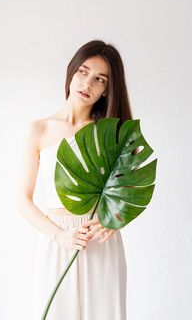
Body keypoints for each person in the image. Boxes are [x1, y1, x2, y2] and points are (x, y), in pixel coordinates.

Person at [17, 39, 134, 319]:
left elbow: (128, 191)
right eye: (83, 71)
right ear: (72, 71)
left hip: (100, 241)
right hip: (57, 240)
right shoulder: (38, 130)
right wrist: (59, 235)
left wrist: (115, 219)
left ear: (107, 89)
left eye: (99, 79)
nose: (87, 83)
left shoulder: (111, 133)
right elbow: (23, 200)